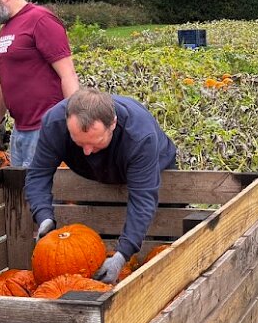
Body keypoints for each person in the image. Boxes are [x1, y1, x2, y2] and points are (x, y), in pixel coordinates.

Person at [27, 87, 178, 283]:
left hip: (154, 170)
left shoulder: (140, 136)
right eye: (79, 143)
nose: (87, 151)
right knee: (99, 237)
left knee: (160, 241)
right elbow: (39, 174)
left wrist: (122, 255)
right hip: (96, 177)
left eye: (95, 142)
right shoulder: (55, 123)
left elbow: (142, 200)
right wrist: (44, 217)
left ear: (113, 124)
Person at [0, 0, 80, 167]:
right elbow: (6, 80)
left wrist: (75, 123)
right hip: (20, 131)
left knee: (42, 194)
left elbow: (68, 75)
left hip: (45, 129)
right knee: (20, 194)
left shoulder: (40, 20)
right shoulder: (6, 28)